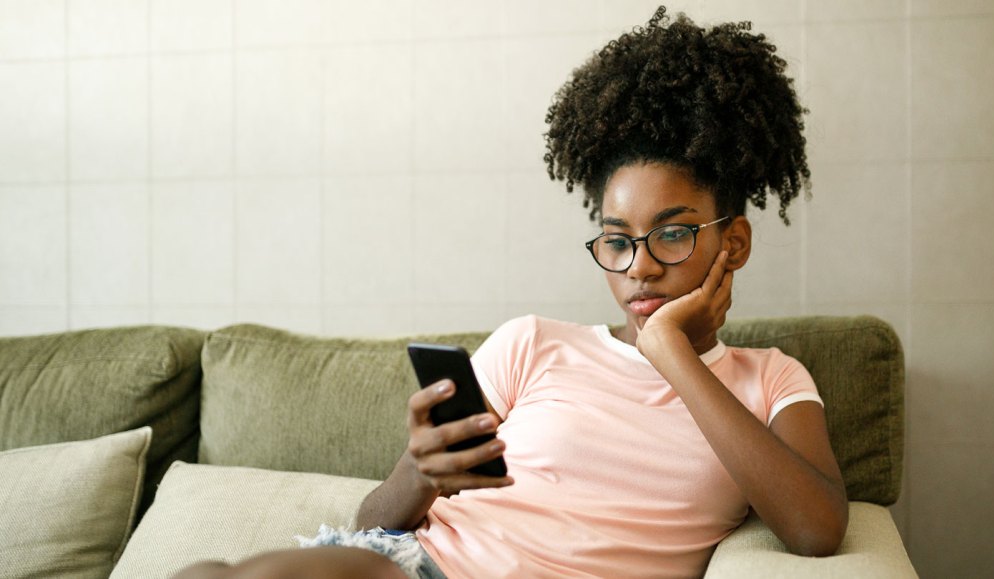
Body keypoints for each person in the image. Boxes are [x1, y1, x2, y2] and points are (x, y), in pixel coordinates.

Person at [175, 6, 848, 579]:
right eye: (616, 240)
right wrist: (420, 472)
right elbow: (372, 521)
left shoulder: (772, 380)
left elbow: (816, 529)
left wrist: (671, 351)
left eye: (670, 235)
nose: (638, 267)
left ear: (734, 243)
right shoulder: (532, 343)